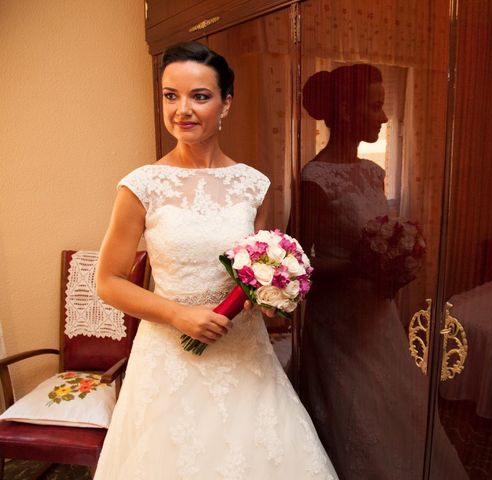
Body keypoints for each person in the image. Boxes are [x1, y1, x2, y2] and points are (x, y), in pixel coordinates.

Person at [94, 42, 336, 479]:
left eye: (199, 96)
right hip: (169, 357)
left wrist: (267, 296)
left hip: (243, 352)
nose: (182, 110)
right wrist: (178, 315)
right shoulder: (141, 186)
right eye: (171, 95)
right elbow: (108, 282)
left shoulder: (253, 185)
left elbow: (258, 270)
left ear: (227, 102)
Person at [298, 64, 468, 479]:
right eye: (375, 106)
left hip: (377, 317)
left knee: (397, 404)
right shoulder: (314, 179)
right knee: (355, 414)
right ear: (346, 109)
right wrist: (360, 267)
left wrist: (398, 259)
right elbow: (295, 263)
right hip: (338, 325)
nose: (384, 117)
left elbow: (382, 235)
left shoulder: (373, 172)